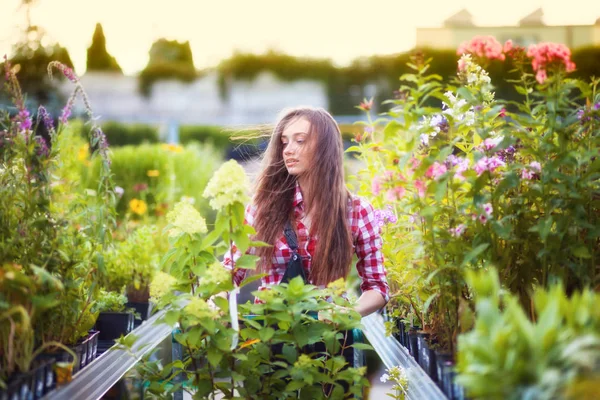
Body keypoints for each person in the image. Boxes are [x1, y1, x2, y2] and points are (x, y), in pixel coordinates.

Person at [224, 106, 388, 317]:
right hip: (273, 331)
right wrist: (214, 301)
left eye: (299, 141)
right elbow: (231, 269)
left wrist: (345, 313)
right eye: (285, 142)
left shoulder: (356, 211)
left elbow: (377, 287)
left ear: (324, 148)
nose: (288, 150)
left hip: (330, 337)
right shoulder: (263, 207)